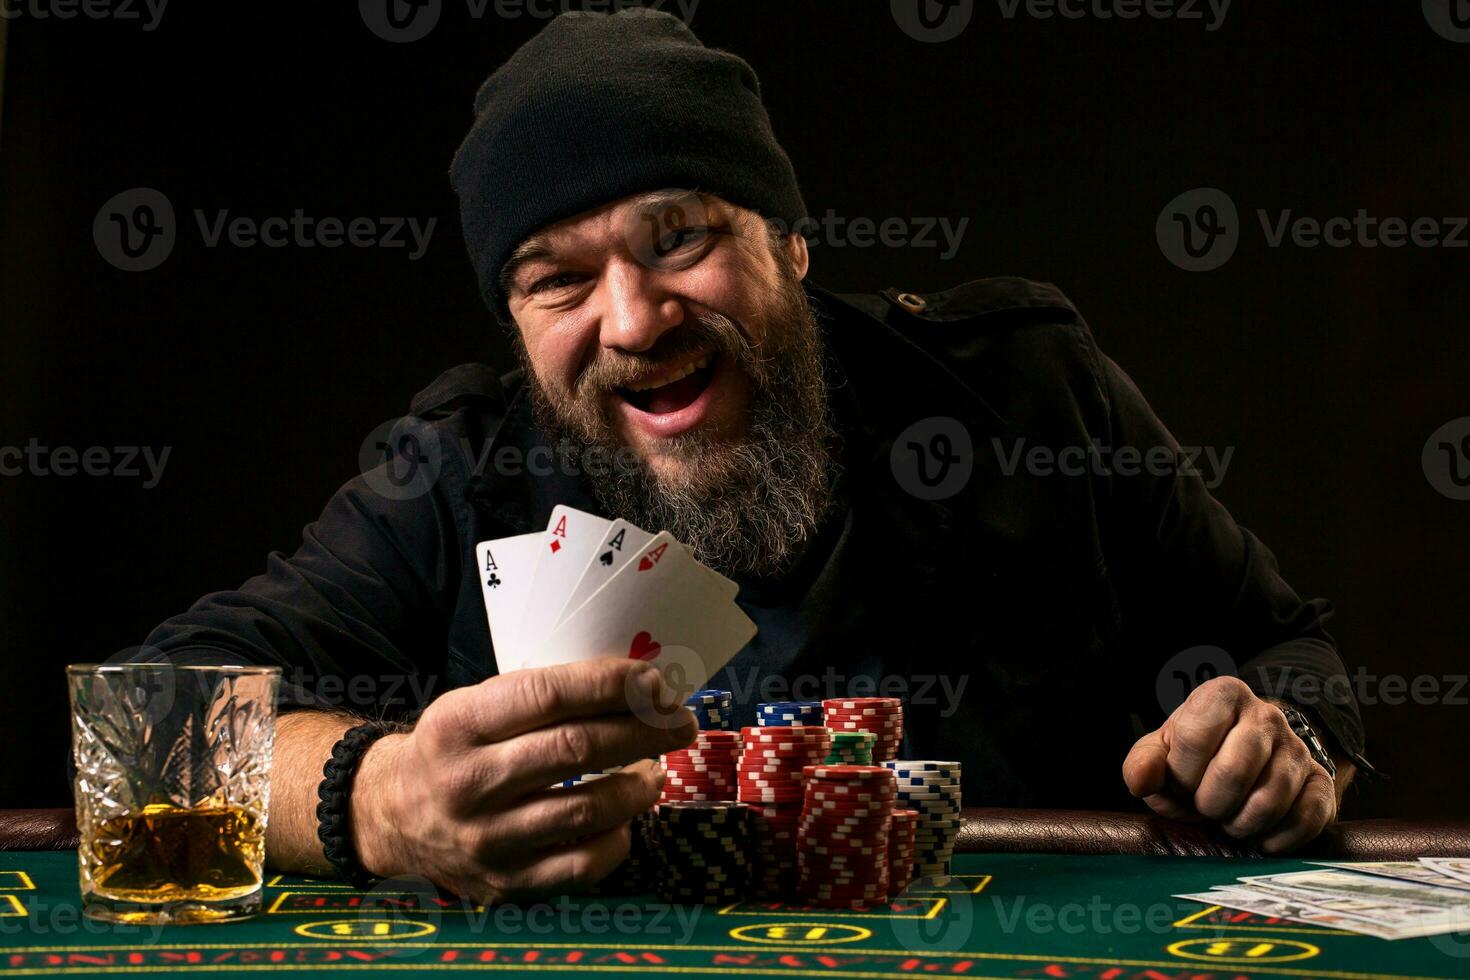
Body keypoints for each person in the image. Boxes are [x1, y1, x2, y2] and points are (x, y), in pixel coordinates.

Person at [144, 9, 1369, 902]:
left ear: (786, 241)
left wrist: (1289, 739)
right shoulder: (462, 472)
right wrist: (374, 797)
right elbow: (153, 720)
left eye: (679, 240)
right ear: (514, 319)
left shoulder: (1026, 394)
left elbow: (1290, 644)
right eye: (557, 279)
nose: (632, 320)